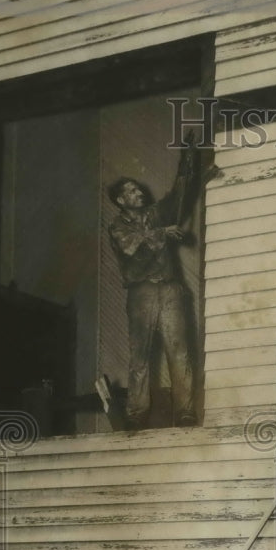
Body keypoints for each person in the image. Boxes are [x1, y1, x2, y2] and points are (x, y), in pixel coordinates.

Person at [108, 141, 199, 429]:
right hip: (142, 292)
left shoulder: (156, 213)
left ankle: (185, 411)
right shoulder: (118, 226)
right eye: (132, 190)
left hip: (170, 288)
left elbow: (177, 198)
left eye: (139, 188)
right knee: (140, 355)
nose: (140, 192)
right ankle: (137, 413)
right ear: (121, 200)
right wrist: (162, 232)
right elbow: (131, 247)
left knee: (180, 350)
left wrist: (186, 165)